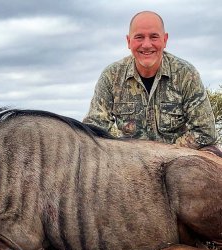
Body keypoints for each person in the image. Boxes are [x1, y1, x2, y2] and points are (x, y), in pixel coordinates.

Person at [83, 11, 217, 149]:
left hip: (177, 163)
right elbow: (93, 131)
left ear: (165, 40)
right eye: (139, 37)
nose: (146, 45)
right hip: (130, 162)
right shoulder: (111, 76)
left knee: (211, 153)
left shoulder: (186, 74)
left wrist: (167, 155)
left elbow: (205, 132)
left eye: (154, 37)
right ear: (129, 41)